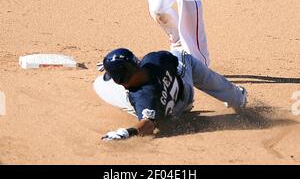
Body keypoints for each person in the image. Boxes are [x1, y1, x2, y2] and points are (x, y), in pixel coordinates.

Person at [94, 48, 247, 141]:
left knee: (99, 84)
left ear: (120, 79)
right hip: (185, 93)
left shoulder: (143, 97)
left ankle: (155, 113)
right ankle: (237, 97)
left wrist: (127, 132)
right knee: (181, 54)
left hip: (171, 112)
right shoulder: (154, 59)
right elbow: (167, 59)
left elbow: (147, 125)